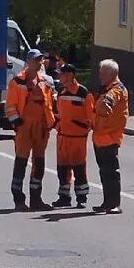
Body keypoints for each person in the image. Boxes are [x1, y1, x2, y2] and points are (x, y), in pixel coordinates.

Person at [4, 49, 56, 211]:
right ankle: (18, 199)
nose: (40, 63)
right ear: (29, 62)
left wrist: (52, 121)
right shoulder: (17, 82)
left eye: (41, 60)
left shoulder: (46, 81)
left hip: (41, 127)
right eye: (37, 60)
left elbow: (52, 102)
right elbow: (10, 105)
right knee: (21, 161)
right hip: (25, 125)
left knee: (39, 162)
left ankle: (36, 198)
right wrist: (16, 121)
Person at [52, 64, 95, 209]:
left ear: (70, 75)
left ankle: (81, 197)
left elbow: (90, 119)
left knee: (79, 169)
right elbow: (58, 114)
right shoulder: (61, 92)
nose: (59, 77)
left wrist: (81, 129)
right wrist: (58, 126)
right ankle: (64, 197)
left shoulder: (84, 93)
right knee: (62, 169)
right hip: (63, 137)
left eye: (61, 74)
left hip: (77, 139)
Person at [92, 59, 129, 214]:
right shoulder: (106, 88)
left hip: (110, 137)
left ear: (112, 74)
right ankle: (107, 202)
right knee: (104, 173)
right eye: (100, 72)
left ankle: (114, 204)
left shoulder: (117, 89)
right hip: (100, 137)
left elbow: (112, 98)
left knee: (111, 173)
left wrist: (107, 102)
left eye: (103, 73)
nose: (100, 76)